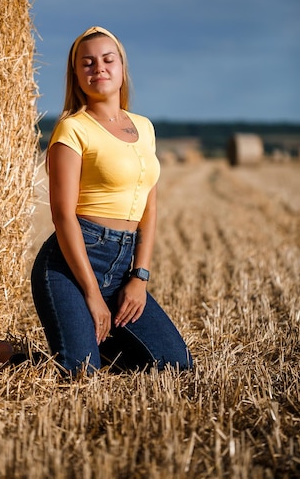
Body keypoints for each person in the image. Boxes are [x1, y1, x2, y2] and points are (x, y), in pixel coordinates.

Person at [31, 26, 192, 375]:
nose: (98, 68)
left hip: (122, 266)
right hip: (71, 266)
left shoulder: (144, 127)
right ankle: (15, 358)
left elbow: (150, 207)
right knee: (79, 373)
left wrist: (140, 277)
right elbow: (63, 217)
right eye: (87, 63)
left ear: (121, 69)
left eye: (107, 59)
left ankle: (84, 345)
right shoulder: (72, 130)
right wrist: (91, 292)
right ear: (76, 75)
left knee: (175, 366)